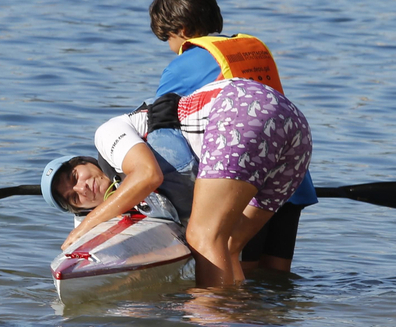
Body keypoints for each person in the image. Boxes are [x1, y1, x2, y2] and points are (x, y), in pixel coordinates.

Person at [56, 76, 312, 287]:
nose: (82, 187)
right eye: (73, 197)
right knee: (229, 244)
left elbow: (147, 175)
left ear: (86, 161)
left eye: (74, 176)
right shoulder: (150, 204)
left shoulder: (106, 133)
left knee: (203, 238)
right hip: (294, 128)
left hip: (242, 106)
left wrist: (84, 228)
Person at [146, 0, 317, 273]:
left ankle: (223, 317)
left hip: (245, 184)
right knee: (275, 281)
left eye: (169, 41)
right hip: (292, 183)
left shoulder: (183, 64)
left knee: (235, 267)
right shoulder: (250, 48)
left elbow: (165, 135)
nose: (172, 50)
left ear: (183, 31)